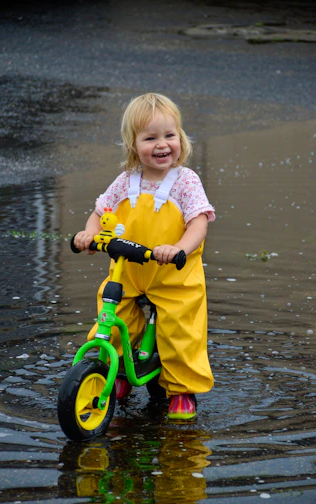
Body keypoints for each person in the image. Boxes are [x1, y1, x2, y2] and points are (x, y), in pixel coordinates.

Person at [74, 92, 215, 420]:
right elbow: (100, 213)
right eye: (150, 138)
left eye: (170, 135)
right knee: (111, 314)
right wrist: (89, 234)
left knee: (180, 328)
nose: (162, 144)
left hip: (173, 272)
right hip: (129, 272)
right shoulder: (125, 182)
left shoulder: (185, 182)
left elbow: (198, 224)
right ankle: (115, 372)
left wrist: (179, 248)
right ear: (133, 145)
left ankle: (181, 388)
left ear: (180, 138)